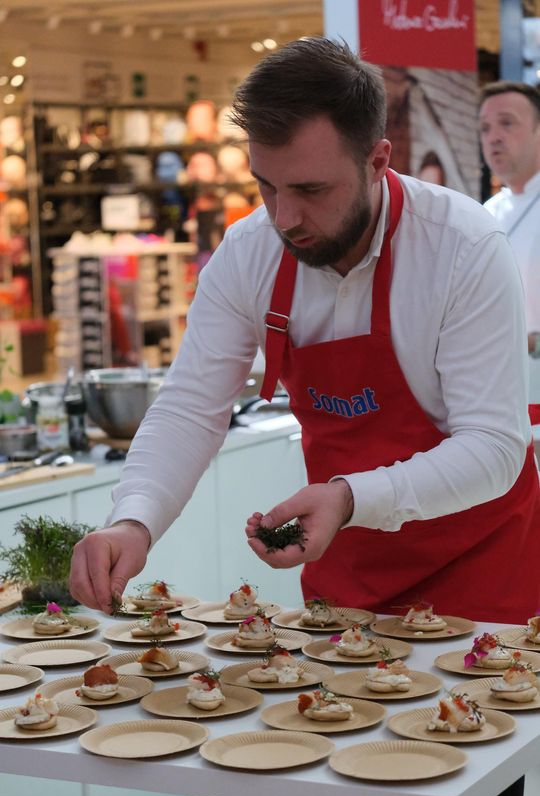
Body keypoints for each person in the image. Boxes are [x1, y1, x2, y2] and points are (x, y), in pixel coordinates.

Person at [70, 38, 539, 627]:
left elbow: (495, 448)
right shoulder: (249, 254)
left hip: (485, 581)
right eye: (266, 185)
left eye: (311, 190)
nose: (283, 218)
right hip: (347, 585)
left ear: (377, 161)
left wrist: (348, 497)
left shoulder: (462, 247)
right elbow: (191, 408)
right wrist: (133, 520)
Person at [479, 81, 540, 408]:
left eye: (507, 123)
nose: (494, 137)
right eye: (485, 128)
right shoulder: (485, 213)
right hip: (502, 398)